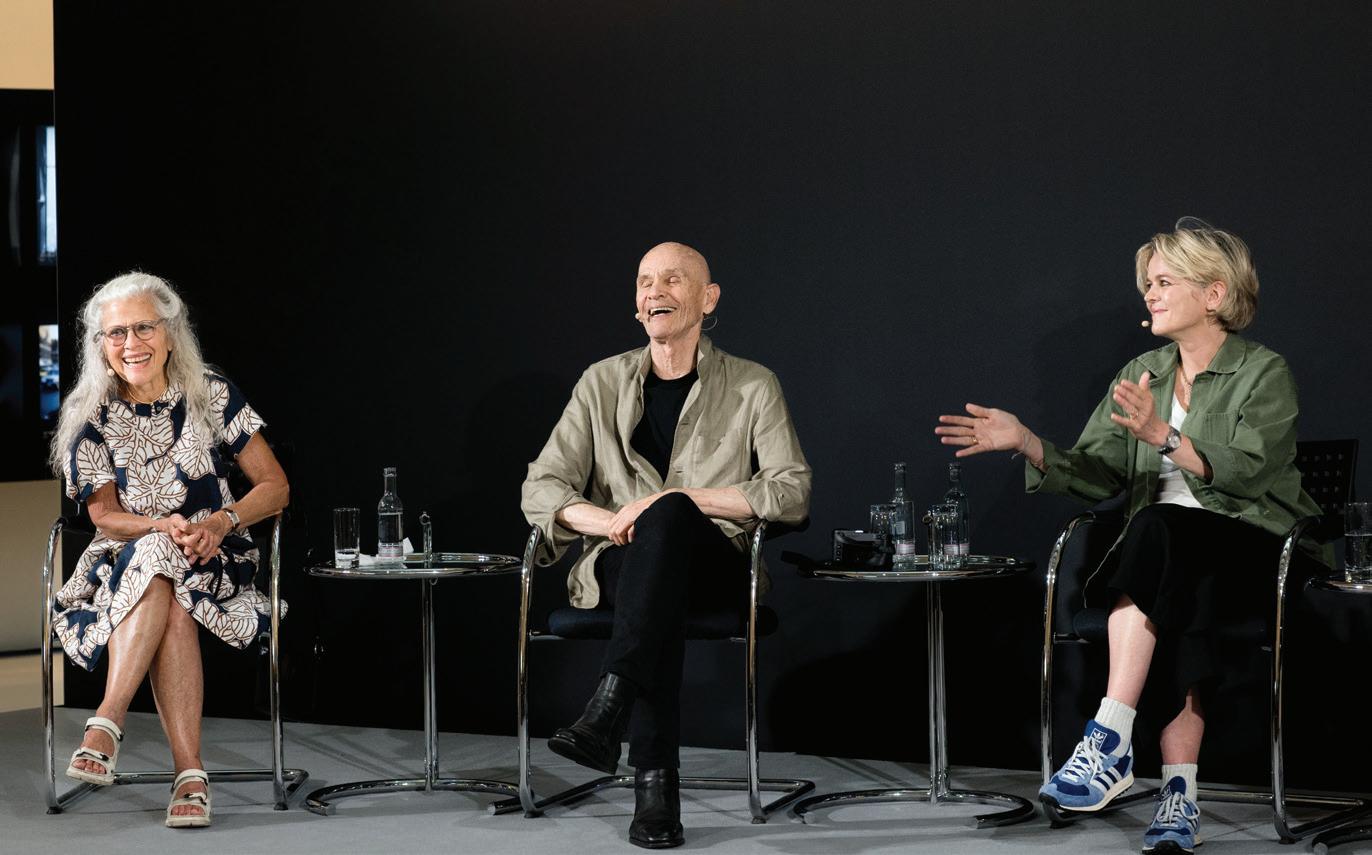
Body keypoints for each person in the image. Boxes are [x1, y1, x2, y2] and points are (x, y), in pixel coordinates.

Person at [935, 221, 1325, 855]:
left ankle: (1109, 737)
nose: (1150, 293)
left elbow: (1251, 472)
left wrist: (1164, 437)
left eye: (1165, 281)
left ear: (1215, 294)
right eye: (1148, 283)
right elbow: (1099, 474)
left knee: (1158, 530)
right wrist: (1028, 443)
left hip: (1257, 550)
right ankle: (1178, 796)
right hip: (1177, 565)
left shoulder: (1263, 372)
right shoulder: (1144, 372)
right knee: (1177, 582)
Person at [521, 241, 811, 849]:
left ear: (708, 299)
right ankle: (651, 782)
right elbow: (542, 486)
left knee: (672, 515)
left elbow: (791, 490)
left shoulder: (753, 385)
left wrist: (676, 502)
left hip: (715, 566)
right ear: (636, 303)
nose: (655, 291)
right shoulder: (600, 382)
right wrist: (612, 521)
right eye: (644, 281)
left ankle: (613, 710)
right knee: (653, 583)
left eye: (673, 280)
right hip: (622, 561)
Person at [49, 272, 289, 829]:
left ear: (170, 333)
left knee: (169, 569)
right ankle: (189, 772)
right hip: (123, 561)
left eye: (143, 328)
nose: (131, 344)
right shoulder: (90, 414)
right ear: (100, 345)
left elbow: (275, 487)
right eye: (116, 333)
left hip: (216, 557)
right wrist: (160, 525)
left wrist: (223, 521)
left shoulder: (211, 393)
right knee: (166, 579)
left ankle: (106, 723)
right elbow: (104, 516)